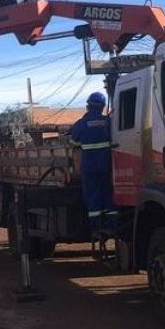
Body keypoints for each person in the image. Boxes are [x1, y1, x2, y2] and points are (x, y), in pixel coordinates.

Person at [70, 92, 116, 236]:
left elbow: (74, 143)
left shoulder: (81, 124)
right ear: (102, 107)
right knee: (108, 195)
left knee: (92, 197)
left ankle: (96, 229)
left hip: (89, 168)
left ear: (88, 106)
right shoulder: (108, 122)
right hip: (107, 166)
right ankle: (111, 226)